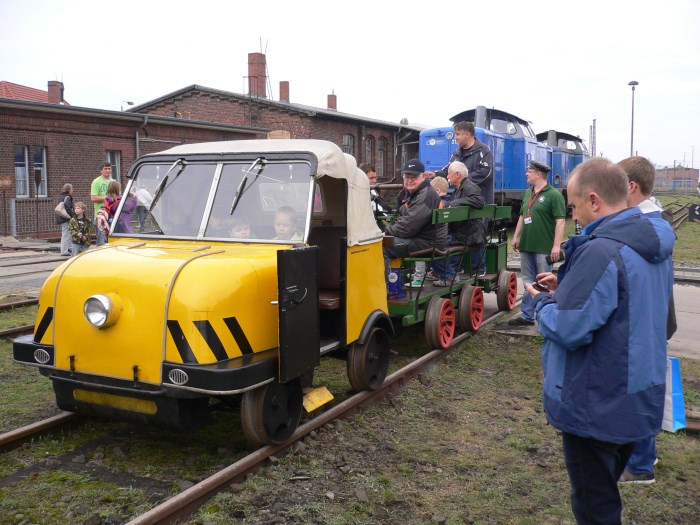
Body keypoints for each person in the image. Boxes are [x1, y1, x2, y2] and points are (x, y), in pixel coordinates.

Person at [525, 158, 675, 524]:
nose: (573, 216)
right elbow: (626, 299)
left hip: (596, 403)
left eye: (574, 207)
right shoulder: (651, 242)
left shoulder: (602, 250)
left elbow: (568, 327)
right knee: (605, 494)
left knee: (595, 507)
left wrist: (542, 303)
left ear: (594, 200)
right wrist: (569, 286)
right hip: (635, 396)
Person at [617, 155, 678, 484]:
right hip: (653, 317)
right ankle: (643, 456)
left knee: (639, 387)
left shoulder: (642, 228)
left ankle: (640, 465)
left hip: (643, 320)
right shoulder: (656, 225)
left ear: (630, 186)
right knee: (645, 384)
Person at [428, 121, 494, 274]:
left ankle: (479, 270)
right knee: (458, 234)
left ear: (467, 134)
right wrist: (435, 174)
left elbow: (485, 173)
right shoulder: (457, 153)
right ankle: (457, 268)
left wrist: (462, 180)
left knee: (477, 235)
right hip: (461, 199)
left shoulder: (483, 151)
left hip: (479, 203)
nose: (455, 138)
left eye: (457, 134)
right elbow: (448, 168)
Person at [509, 160, 566, 326]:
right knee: (528, 281)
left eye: (529, 171)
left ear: (538, 174)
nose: (526, 174)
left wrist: (556, 245)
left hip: (543, 247)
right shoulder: (528, 193)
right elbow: (522, 216)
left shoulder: (554, 195)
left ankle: (544, 316)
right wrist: (516, 237)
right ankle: (527, 315)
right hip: (527, 245)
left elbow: (560, 221)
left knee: (543, 282)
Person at [383, 159, 446, 292]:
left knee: (383, 246)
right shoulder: (415, 193)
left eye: (414, 177)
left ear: (423, 177)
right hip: (422, 238)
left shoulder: (425, 195)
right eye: (407, 177)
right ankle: (396, 284)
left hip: (426, 242)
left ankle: (389, 289)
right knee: (386, 241)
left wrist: (386, 231)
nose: (410, 180)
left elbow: (407, 227)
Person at [430, 161, 485, 286]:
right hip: (462, 233)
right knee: (434, 243)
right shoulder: (458, 189)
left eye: (449, 173)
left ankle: (448, 275)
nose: (447, 176)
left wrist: (456, 203)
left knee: (433, 246)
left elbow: (479, 201)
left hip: (469, 235)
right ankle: (443, 272)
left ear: (457, 174)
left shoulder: (469, 186)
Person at [90, 162, 114, 246]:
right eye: (105, 169)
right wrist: (106, 198)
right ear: (101, 170)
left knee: (111, 241)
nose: (108, 171)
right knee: (101, 243)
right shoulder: (96, 181)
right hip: (101, 217)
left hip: (112, 216)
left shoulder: (113, 182)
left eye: (109, 168)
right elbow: (93, 198)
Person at [56, 183, 74, 256]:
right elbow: (68, 208)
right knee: (66, 235)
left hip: (61, 217)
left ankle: (68, 249)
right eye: (71, 189)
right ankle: (64, 251)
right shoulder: (67, 197)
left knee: (67, 234)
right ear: (68, 190)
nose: (72, 191)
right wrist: (73, 216)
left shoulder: (61, 196)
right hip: (66, 218)